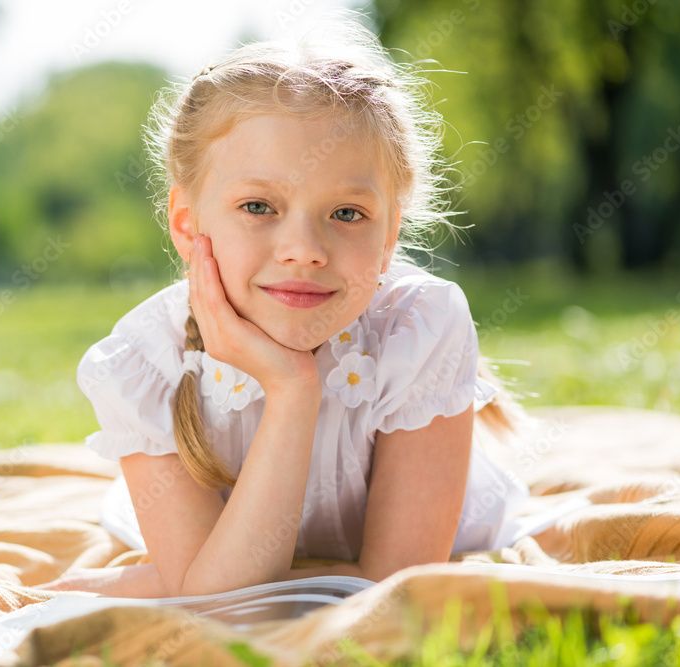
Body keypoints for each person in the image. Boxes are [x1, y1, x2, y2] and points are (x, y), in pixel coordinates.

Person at [38, 16, 534, 599]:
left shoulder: (419, 327)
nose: (304, 250)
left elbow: (394, 588)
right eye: (258, 206)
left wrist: (182, 581)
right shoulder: (144, 365)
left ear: (389, 238)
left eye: (347, 213)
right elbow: (222, 605)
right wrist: (293, 388)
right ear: (187, 223)